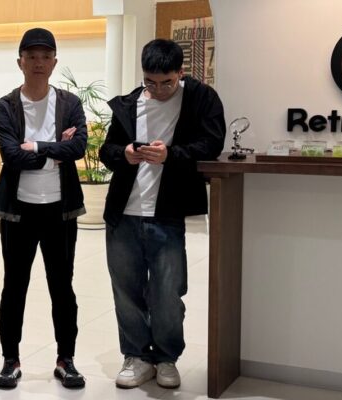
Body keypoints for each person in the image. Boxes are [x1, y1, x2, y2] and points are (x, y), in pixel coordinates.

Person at [99, 38, 224, 390]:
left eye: (166, 82)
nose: (158, 89)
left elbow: (212, 144)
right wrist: (124, 153)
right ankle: (137, 356)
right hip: (124, 212)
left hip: (168, 212)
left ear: (180, 72)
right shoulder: (129, 104)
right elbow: (107, 150)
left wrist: (171, 155)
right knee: (126, 291)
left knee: (167, 292)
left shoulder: (200, 98)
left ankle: (166, 357)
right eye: (150, 82)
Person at [0, 27, 88, 390]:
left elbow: (78, 148)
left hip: (60, 209)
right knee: (14, 286)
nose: (38, 63)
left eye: (46, 57)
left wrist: (36, 147)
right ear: (20, 62)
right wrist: (53, 150)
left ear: (54, 62)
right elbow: (11, 156)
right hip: (19, 212)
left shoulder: (69, 103)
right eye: (31, 56)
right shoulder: (6, 106)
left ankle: (66, 359)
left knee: (62, 286)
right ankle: (10, 360)